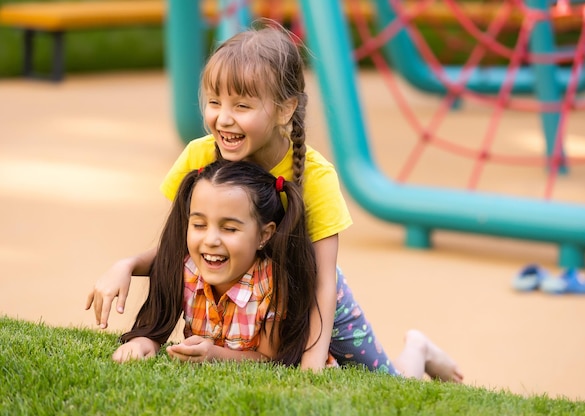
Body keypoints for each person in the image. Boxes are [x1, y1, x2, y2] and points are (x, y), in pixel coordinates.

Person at [87, 21, 463, 382]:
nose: (223, 119)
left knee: (387, 381)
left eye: (242, 106)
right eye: (215, 101)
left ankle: (418, 350)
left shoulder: (316, 175)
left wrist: (312, 364)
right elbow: (177, 250)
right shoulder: (199, 156)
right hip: (246, 297)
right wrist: (128, 265)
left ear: (285, 109)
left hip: (312, 291)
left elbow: (323, 282)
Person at [113, 160, 462, 384]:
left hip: (330, 306)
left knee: (392, 385)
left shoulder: (271, 285)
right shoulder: (188, 268)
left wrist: (214, 354)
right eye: (198, 224)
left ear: (264, 235)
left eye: (230, 229)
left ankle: (418, 348)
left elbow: (272, 361)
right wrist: (144, 340)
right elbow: (159, 317)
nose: (210, 241)